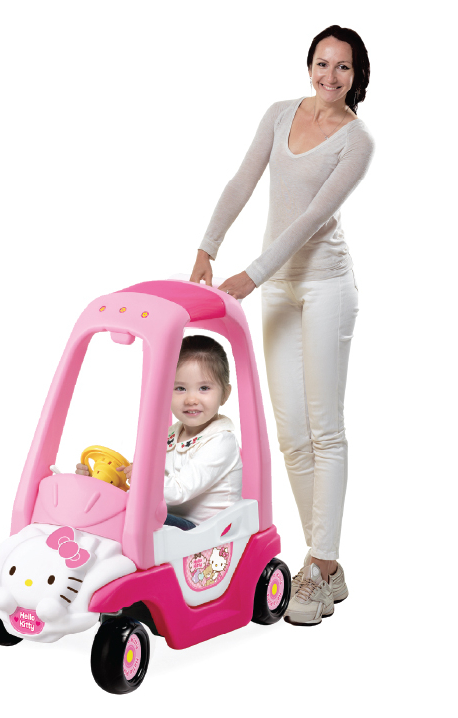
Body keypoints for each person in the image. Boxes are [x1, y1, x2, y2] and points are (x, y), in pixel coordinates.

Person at [189, 25, 375, 626]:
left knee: (325, 429)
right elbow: (242, 181)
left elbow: (315, 217)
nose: (329, 76)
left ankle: (318, 566)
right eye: (322, 63)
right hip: (279, 288)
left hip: (325, 286)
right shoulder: (278, 115)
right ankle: (328, 564)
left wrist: (253, 273)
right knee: (292, 433)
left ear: (356, 76)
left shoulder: (357, 142)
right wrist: (208, 247)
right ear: (309, 65)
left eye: (342, 67)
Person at [76, 335, 242, 530]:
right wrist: (104, 479)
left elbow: (178, 490)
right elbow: (149, 477)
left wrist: (141, 478)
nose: (191, 399)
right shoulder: (171, 434)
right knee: (114, 507)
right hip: (168, 520)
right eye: (180, 388)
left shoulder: (221, 441)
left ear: (225, 394)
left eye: (204, 388)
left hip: (205, 531)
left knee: (129, 516)